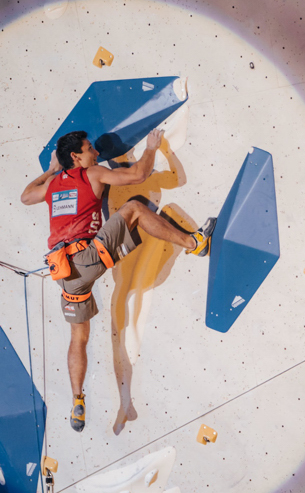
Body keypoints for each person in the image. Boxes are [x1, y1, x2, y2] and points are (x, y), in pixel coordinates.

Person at [21, 129, 214, 432]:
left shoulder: (52, 186)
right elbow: (139, 174)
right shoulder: (91, 174)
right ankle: (195, 244)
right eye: (89, 149)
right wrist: (152, 147)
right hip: (87, 258)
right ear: (76, 157)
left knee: (78, 337)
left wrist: (49, 171)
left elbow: (24, 196)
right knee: (136, 207)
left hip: (65, 276)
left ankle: (77, 399)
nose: (96, 154)